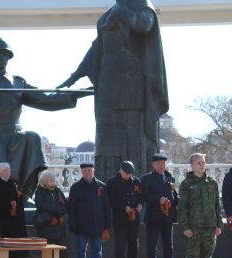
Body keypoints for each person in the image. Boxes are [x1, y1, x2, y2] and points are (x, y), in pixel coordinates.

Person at [0, 37, 84, 196]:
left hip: (14, 137)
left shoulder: (18, 82)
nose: (2, 58)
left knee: (32, 138)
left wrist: (75, 94)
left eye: (5, 55)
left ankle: (25, 194)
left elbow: (45, 100)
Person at [57, 0, 168, 181]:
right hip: (107, 82)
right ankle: (107, 178)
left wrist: (122, 8)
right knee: (106, 133)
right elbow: (96, 48)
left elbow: (144, 25)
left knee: (131, 133)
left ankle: (134, 179)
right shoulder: (111, 12)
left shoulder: (143, 5)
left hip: (130, 81)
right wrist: (76, 74)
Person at [178, 153, 223, 258]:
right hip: (194, 228)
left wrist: (218, 224)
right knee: (193, 257)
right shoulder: (187, 184)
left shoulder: (212, 182)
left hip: (210, 227)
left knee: (206, 257)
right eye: (198, 163)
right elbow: (182, 207)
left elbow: (217, 205)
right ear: (192, 165)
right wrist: (185, 227)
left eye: (203, 162)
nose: (202, 165)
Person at [68, 163, 111, 258]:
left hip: (98, 225)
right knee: (81, 250)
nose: (87, 172)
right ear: (81, 172)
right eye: (85, 171)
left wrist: (107, 225)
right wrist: (72, 224)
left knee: (97, 250)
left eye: (89, 170)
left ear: (94, 171)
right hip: (81, 225)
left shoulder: (102, 186)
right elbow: (71, 208)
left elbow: (107, 207)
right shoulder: (76, 187)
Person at [140, 153, 179, 258]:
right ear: (153, 164)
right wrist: (158, 199)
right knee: (152, 244)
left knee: (169, 244)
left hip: (168, 216)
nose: (162, 165)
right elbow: (145, 196)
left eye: (163, 163)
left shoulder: (169, 177)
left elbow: (174, 194)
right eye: (159, 163)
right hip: (153, 216)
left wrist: (176, 200)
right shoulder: (146, 178)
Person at [106, 161, 143, 258]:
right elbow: (111, 200)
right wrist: (123, 207)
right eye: (126, 173)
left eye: (130, 173)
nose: (128, 175)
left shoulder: (136, 181)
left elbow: (141, 196)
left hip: (134, 218)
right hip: (120, 219)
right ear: (120, 170)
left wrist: (140, 204)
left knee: (134, 245)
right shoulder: (112, 183)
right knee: (120, 246)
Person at [34, 171, 71, 258]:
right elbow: (40, 205)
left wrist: (59, 212)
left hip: (59, 227)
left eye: (54, 180)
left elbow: (65, 205)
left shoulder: (58, 191)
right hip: (47, 227)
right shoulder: (39, 191)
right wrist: (56, 210)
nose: (53, 182)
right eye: (51, 180)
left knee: (63, 251)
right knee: (47, 252)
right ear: (45, 181)